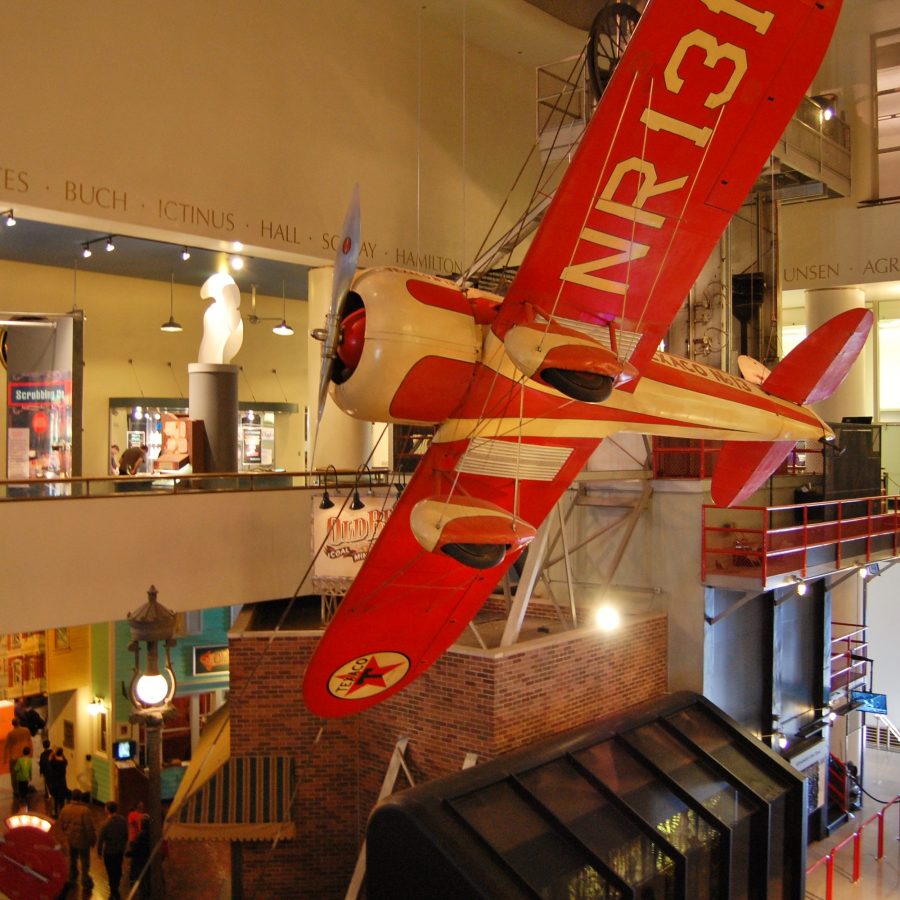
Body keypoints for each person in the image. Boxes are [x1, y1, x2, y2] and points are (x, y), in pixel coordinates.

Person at [58, 789, 96, 890]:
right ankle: (85, 879)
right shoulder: (85, 810)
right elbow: (89, 828)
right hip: (83, 841)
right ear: (80, 798)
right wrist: (92, 840)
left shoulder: (65, 809)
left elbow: (61, 826)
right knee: (85, 861)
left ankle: (72, 877)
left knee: (72, 859)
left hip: (70, 840)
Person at [98, 800, 128, 900]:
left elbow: (101, 839)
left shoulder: (105, 824)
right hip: (119, 850)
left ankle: (113, 890)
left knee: (110, 872)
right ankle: (116, 888)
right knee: (118, 869)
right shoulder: (122, 820)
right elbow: (126, 835)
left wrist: (99, 851)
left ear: (107, 810)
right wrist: (123, 846)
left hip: (109, 852)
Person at [2, 717, 32, 795]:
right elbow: (30, 742)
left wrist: (4, 758)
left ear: (13, 724)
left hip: (14, 756)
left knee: (14, 775)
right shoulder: (26, 730)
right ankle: (24, 789)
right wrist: (31, 753)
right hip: (24, 755)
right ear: (19, 722)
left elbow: (6, 746)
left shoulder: (11, 734)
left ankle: (16, 790)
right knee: (24, 772)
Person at [126, 813, 151, 899]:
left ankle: (144, 896)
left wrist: (129, 853)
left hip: (141, 860)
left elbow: (136, 848)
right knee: (147, 878)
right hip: (147, 858)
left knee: (142, 879)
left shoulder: (141, 834)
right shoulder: (151, 833)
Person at [46, 746, 69, 817]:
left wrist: (52, 752)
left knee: (55, 799)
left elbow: (49, 759)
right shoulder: (64, 762)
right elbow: (64, 758)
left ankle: (55, 813)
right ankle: (63, 813)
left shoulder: (53, 762)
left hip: (54, 783)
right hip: (62, 783)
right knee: (62, 799)